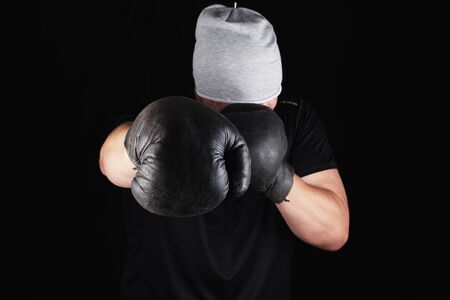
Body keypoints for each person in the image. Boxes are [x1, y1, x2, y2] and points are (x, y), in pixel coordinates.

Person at [99, 3, 349, 300]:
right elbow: (109, 162)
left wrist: (278, 179)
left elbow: (335, 232)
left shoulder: (294, 118)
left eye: (263, 106)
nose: (250, 120)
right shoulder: (167, 111)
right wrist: (163, 141)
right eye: (236, 110)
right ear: (201, 97)